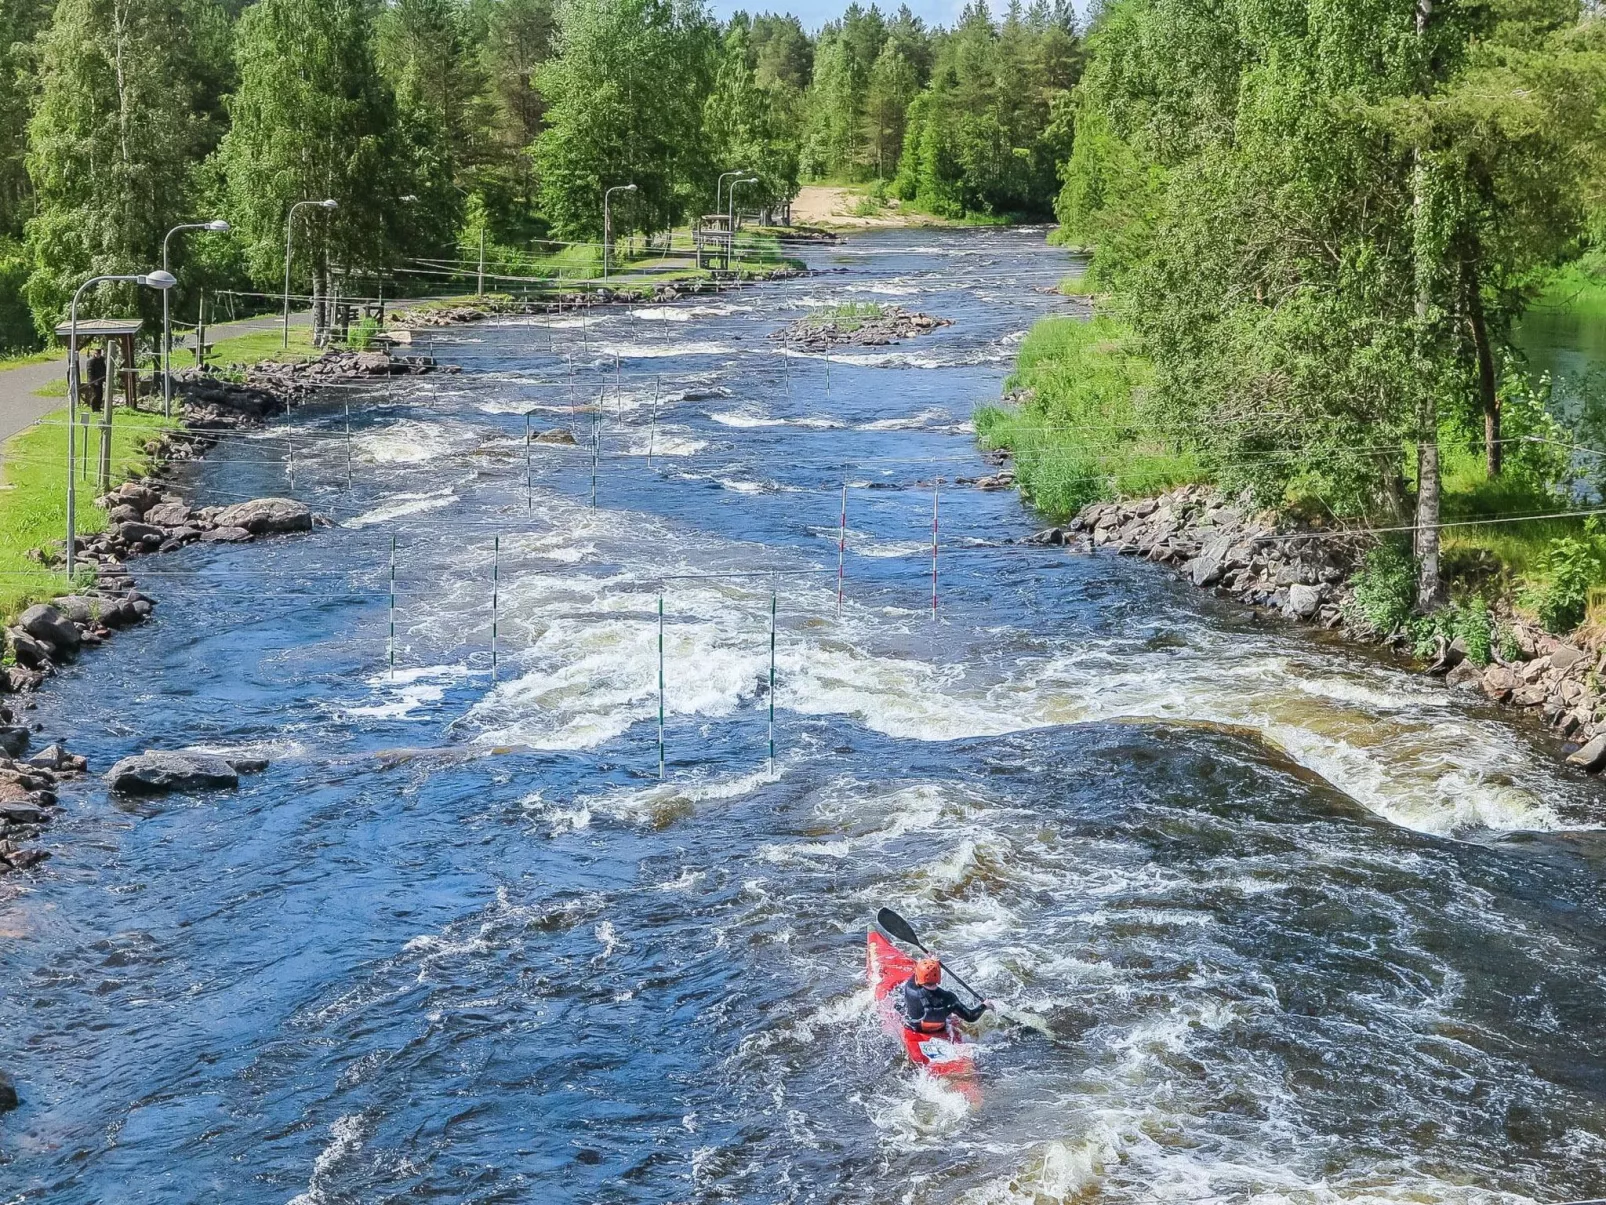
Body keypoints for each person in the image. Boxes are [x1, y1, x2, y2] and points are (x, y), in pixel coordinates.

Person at [902, 957, 988, 1036]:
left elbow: (916, 976)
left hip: (916, 1029)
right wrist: (985, 1005)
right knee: (952, 1013)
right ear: (939, 978)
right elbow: (971, 1017)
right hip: (940, 1029)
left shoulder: (910, 990)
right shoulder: (949, 998)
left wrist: (930, 963)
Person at [85, 344, 106, 411]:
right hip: (93, 381)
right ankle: (94, 408)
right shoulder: (91, 361)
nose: (98, 355)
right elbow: (89, 372)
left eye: (99, 354)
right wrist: (93, 381)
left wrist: (104, 378)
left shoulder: (101, 360)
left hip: (100, 380)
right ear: (94, 354)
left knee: (100, 395)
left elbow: (104, 369)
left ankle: (98, 407)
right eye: (97, 354)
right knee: (95, 395)